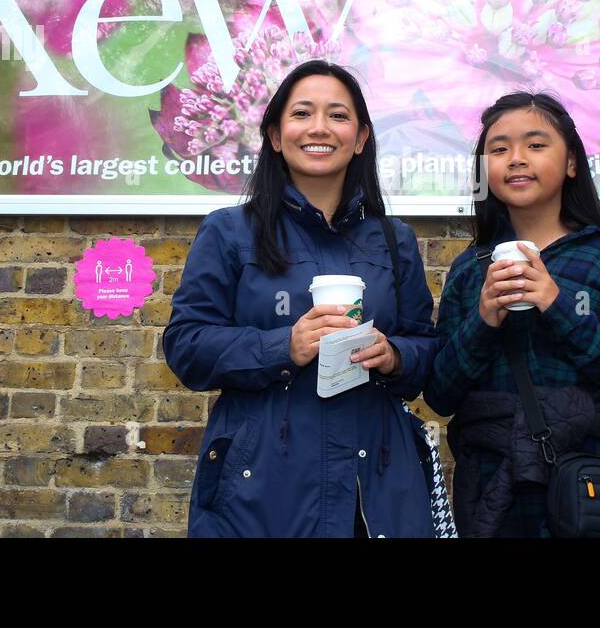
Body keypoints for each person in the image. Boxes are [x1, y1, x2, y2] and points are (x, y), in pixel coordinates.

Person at [163, 59, 439, 537]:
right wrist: (283, 347)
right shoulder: (229, 230)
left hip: (373, 485)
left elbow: (427, 350)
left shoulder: (394, 239)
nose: (319, 128)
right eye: (302, 113)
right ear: (274, 134)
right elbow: (186, 346)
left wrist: (394, 356)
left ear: (361, 138)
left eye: (337, 115)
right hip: (260, 487)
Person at [424, 91, 600, 537]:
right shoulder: (471, 270)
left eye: (536, 145)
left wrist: (558, 306)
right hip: (494, 498)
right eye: (500, 148)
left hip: (595, 491)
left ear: (571, 164)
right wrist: (483, 319)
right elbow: (441, 395)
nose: (516, 159)